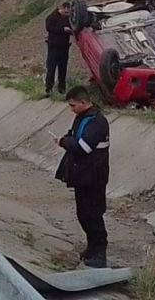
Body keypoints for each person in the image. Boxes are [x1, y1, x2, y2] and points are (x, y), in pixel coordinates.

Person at [54, 86, 110, 268]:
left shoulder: (97, 122)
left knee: (93, 214)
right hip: (82, 176)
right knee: (83, 214)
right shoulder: (82, 118)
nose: (71, 109)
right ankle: (91, 248)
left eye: (73, 105)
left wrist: (64, 142)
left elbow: (84, 147)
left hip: (94, 177)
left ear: (83, 102)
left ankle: (99, 252)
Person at [45, 2, 72, 95]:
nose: (67, 14)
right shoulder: (52, 17)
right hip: (53, 47)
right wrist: (62, 29)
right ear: (63, 8)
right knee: (51, 68)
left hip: (64, 47)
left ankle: (62, 89)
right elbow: (49, 27)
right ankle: (49, 89)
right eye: (66, 12)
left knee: (63, 69)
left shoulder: (68, 18)